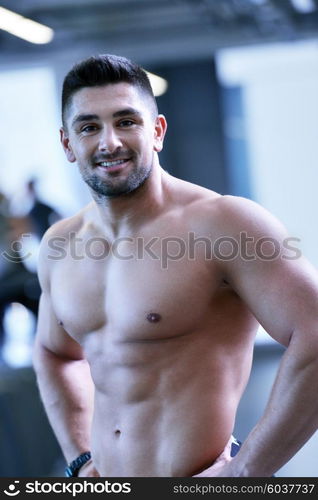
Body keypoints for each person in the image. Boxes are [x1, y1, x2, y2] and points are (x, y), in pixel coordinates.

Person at [32, 54, 318, 478]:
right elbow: (53, 353)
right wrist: (80, 456)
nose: (109, 142)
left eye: (126, 121)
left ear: (157, 132)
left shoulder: (224, 223)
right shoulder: (60, 244)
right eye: (89, 127)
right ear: (68, 144)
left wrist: (245, 473)